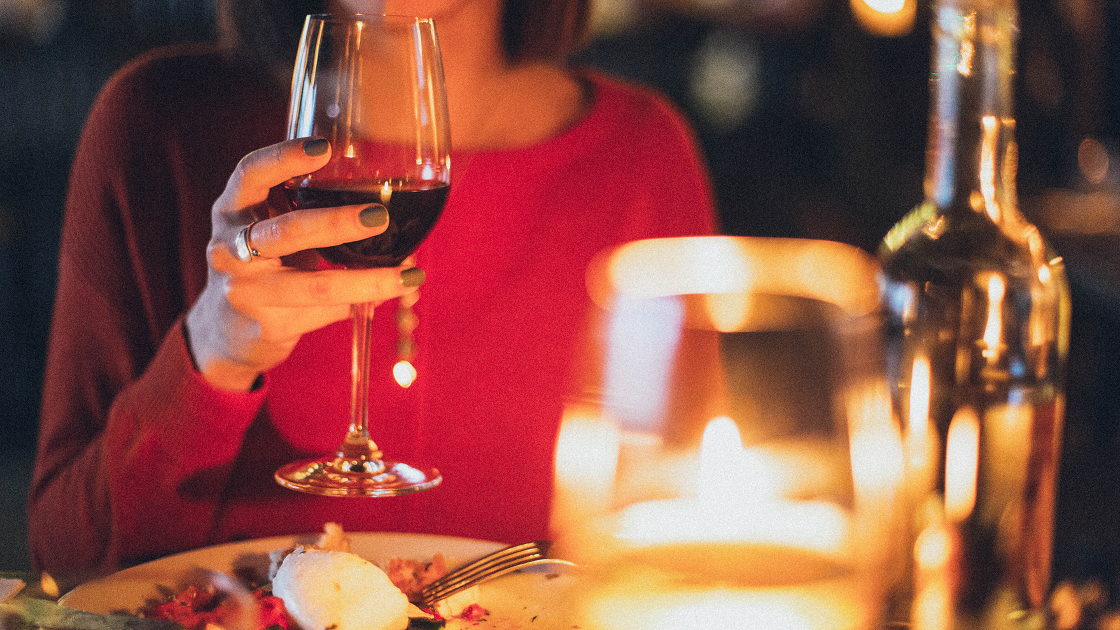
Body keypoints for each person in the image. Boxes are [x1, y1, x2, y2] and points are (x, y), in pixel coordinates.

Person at [29, 0, 717, 573]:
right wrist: (210, 359)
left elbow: (681, 551)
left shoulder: (642, 158)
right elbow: (70, 560)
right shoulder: (156, 123)